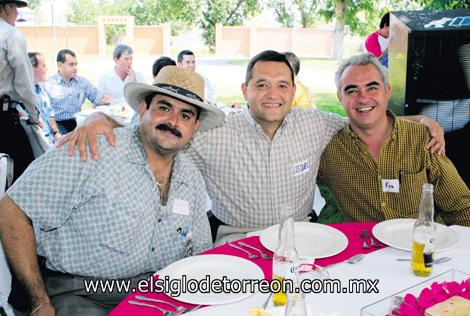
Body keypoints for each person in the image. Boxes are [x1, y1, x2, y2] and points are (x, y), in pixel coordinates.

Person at [60, 50, 445, 245]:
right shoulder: (213, 130)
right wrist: (100, 119)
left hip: (302, 240)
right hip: (236, 239)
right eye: (262, 84)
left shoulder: (315, 124)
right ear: (245, 91)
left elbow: (365, 119)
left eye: (282, 85)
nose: (272, 94)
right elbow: (154, 129)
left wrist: (423, 122)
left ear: (294, 92)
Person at [0, 66, 224, 315]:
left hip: (155, 295)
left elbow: (201, 253)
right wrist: (39, 301)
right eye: (164, 108)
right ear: (143, 109)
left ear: (194, 127)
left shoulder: (191, 178)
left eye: (185, 115)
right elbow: (13, 208)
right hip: (81, 293)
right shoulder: (94, 150)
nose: (173, 122)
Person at [317, 53, 470, 226]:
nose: (363, 98)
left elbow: (460, 207)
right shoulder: (328, 149)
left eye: (372, 87)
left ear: (387, 91)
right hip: (366, 248)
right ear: (340, 97)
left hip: (418, 245)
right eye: (352, 90)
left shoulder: (422, 139)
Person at [0, 0, 41, 182]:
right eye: (16, 8)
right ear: (7, 8)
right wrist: (34, 116)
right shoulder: (10, 34)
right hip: (3, 117)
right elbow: (25, 82)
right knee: (25, 175)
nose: (17, 13)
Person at [43, 49, 112, 134]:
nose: (75, 68)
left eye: (76, 64)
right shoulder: (48, 84)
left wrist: (103, 99)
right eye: (71, 65)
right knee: (68, 141)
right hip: (58, 124)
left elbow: (94, 95)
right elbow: (45, 113)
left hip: (77, 121)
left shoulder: (82, 82)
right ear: (59, 65)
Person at [28, 52, 62, 143]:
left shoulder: (41, 91)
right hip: (41, 142)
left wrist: (56, 133)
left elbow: (50, 116)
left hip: (53, 139)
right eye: (43, 66)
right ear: (32, 69)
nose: (46, 69)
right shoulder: (23, 98)